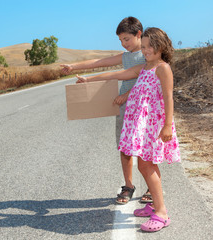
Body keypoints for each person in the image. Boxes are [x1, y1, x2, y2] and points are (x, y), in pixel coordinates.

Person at [76, 27, 181, 232]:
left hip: (153, 126)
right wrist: (88, 79)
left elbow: (168, 97)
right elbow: (117, 74)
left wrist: (167, 125)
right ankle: (154, 205)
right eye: (144, 47)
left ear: (162, 46)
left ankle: (161, 213)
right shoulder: (143, 68)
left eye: (151, 46)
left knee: (146, 166)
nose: (146, 50)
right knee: (146, 165)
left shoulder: (162, 68)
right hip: (141, 126)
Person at [61, 16, 151, 204]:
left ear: (139, 34)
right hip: (125, 109)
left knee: (145, 147)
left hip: (144, 108)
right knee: (124, 147)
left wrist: (126, 95)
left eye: (126, 39)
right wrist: (73, 66)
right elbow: (99, 62)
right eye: (120, 40)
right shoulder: (125, 57)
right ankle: (128, 186)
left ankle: (151, 187)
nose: (123, 44)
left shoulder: (148, 55)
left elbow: (144, 80)